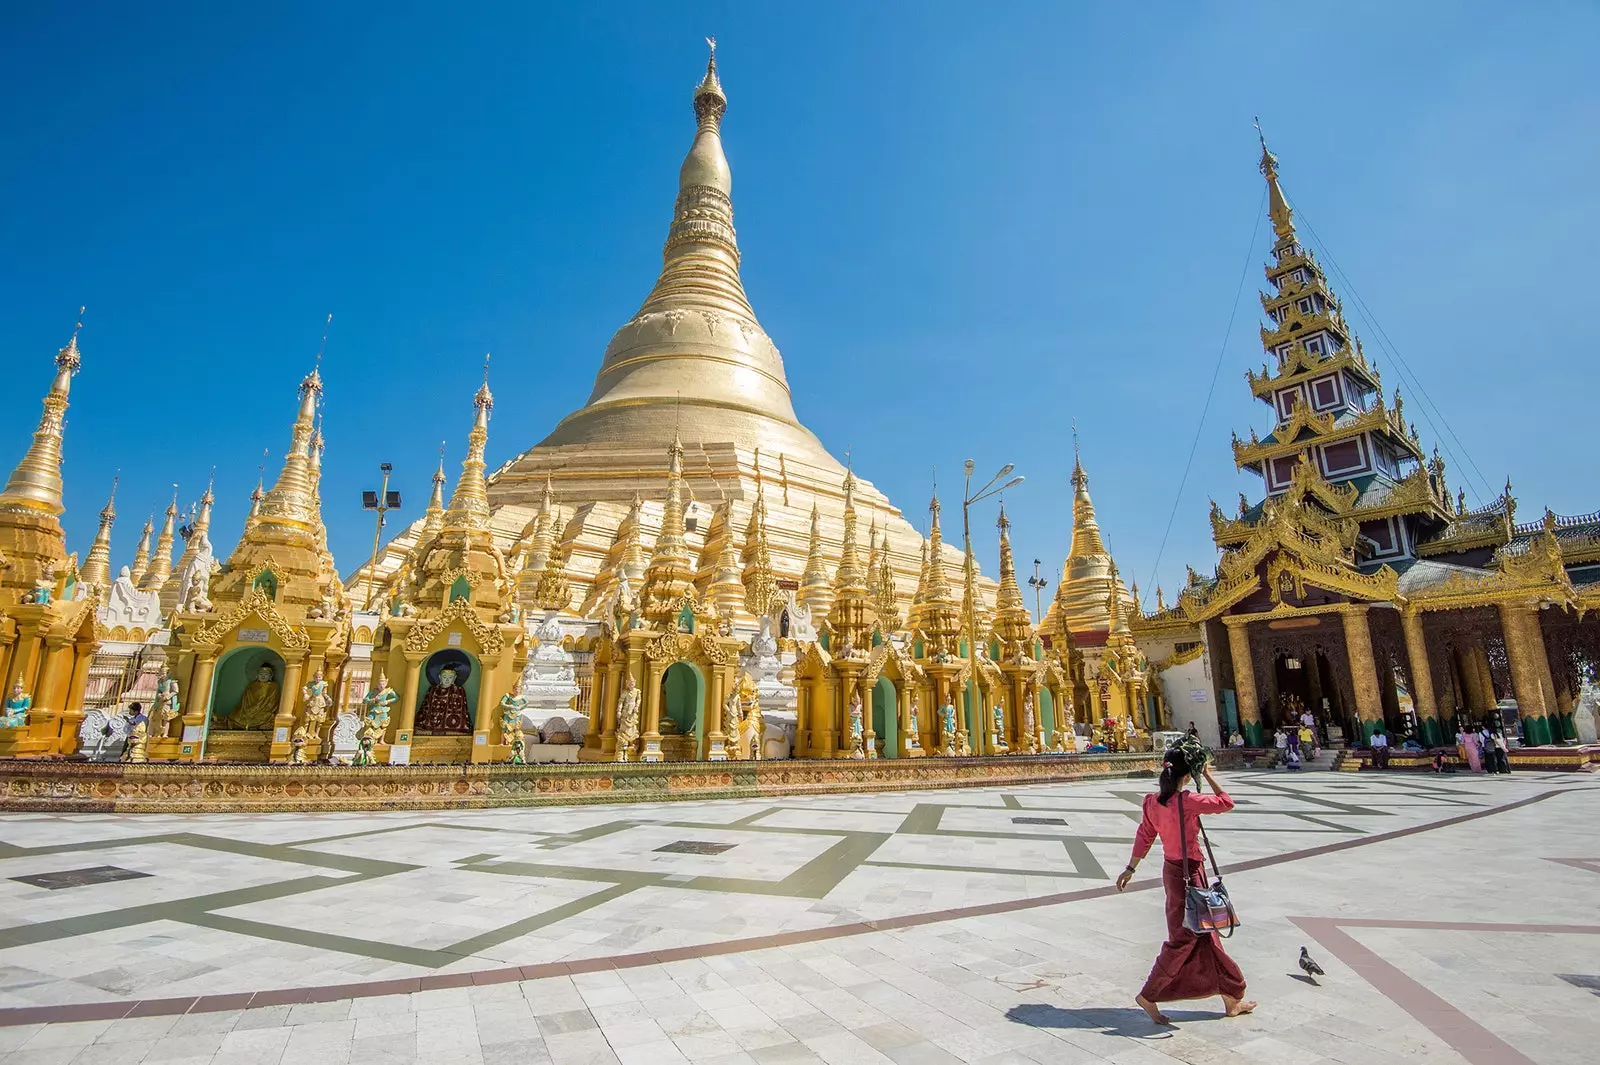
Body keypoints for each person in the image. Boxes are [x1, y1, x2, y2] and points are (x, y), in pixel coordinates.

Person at [1116, 745, 1253, 1024]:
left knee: (1206, 933)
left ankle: (1232, 997)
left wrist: (1131, 867)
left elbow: (1145, 835)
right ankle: (1149, 994)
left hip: (1174, 872)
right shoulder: (1187, 800)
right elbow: (1226, 802)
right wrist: (1210, 775)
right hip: (1190, 874)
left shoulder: (1152, 802)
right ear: (1187, 775)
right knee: (1184, 937)